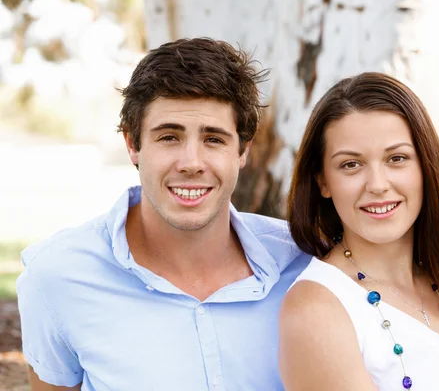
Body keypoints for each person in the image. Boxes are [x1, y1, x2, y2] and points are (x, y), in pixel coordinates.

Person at [17, 38, 311, 391]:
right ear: (132, 144)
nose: (191, 163)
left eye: (214, 139)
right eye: (169, 137)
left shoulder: (304, 263)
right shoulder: (58, 276)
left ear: (243, 150)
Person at [279, 72, 439, 391]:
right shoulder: (318, 308)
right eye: (351, 165)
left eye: (397, 158)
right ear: (322, 182)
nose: (377, 184)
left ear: (426, 166)